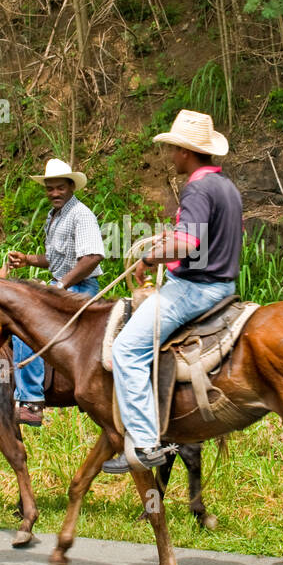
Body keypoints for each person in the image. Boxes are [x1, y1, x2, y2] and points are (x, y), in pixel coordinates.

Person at [103, 110, 242, 474]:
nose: (170, 156)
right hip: (225, 285)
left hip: (195, 290)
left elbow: (189, 242)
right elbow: (209, 238)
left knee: (127, 349)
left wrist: (150, 257)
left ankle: (147, 443)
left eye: (172, 150)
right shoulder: (226, 187)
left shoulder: (197, 187)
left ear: (185, 151)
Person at [7, 158, 105, 426]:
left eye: (60, 188)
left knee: (25, 325)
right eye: (50, 188)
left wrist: (61, 285)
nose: (54, 193)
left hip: (79, 289)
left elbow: (93, 256)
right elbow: (58, 258)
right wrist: (27, 259)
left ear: (71, 186)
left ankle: (31, 401)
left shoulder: (81, 214)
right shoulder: (54, 217)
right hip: (63, 287)